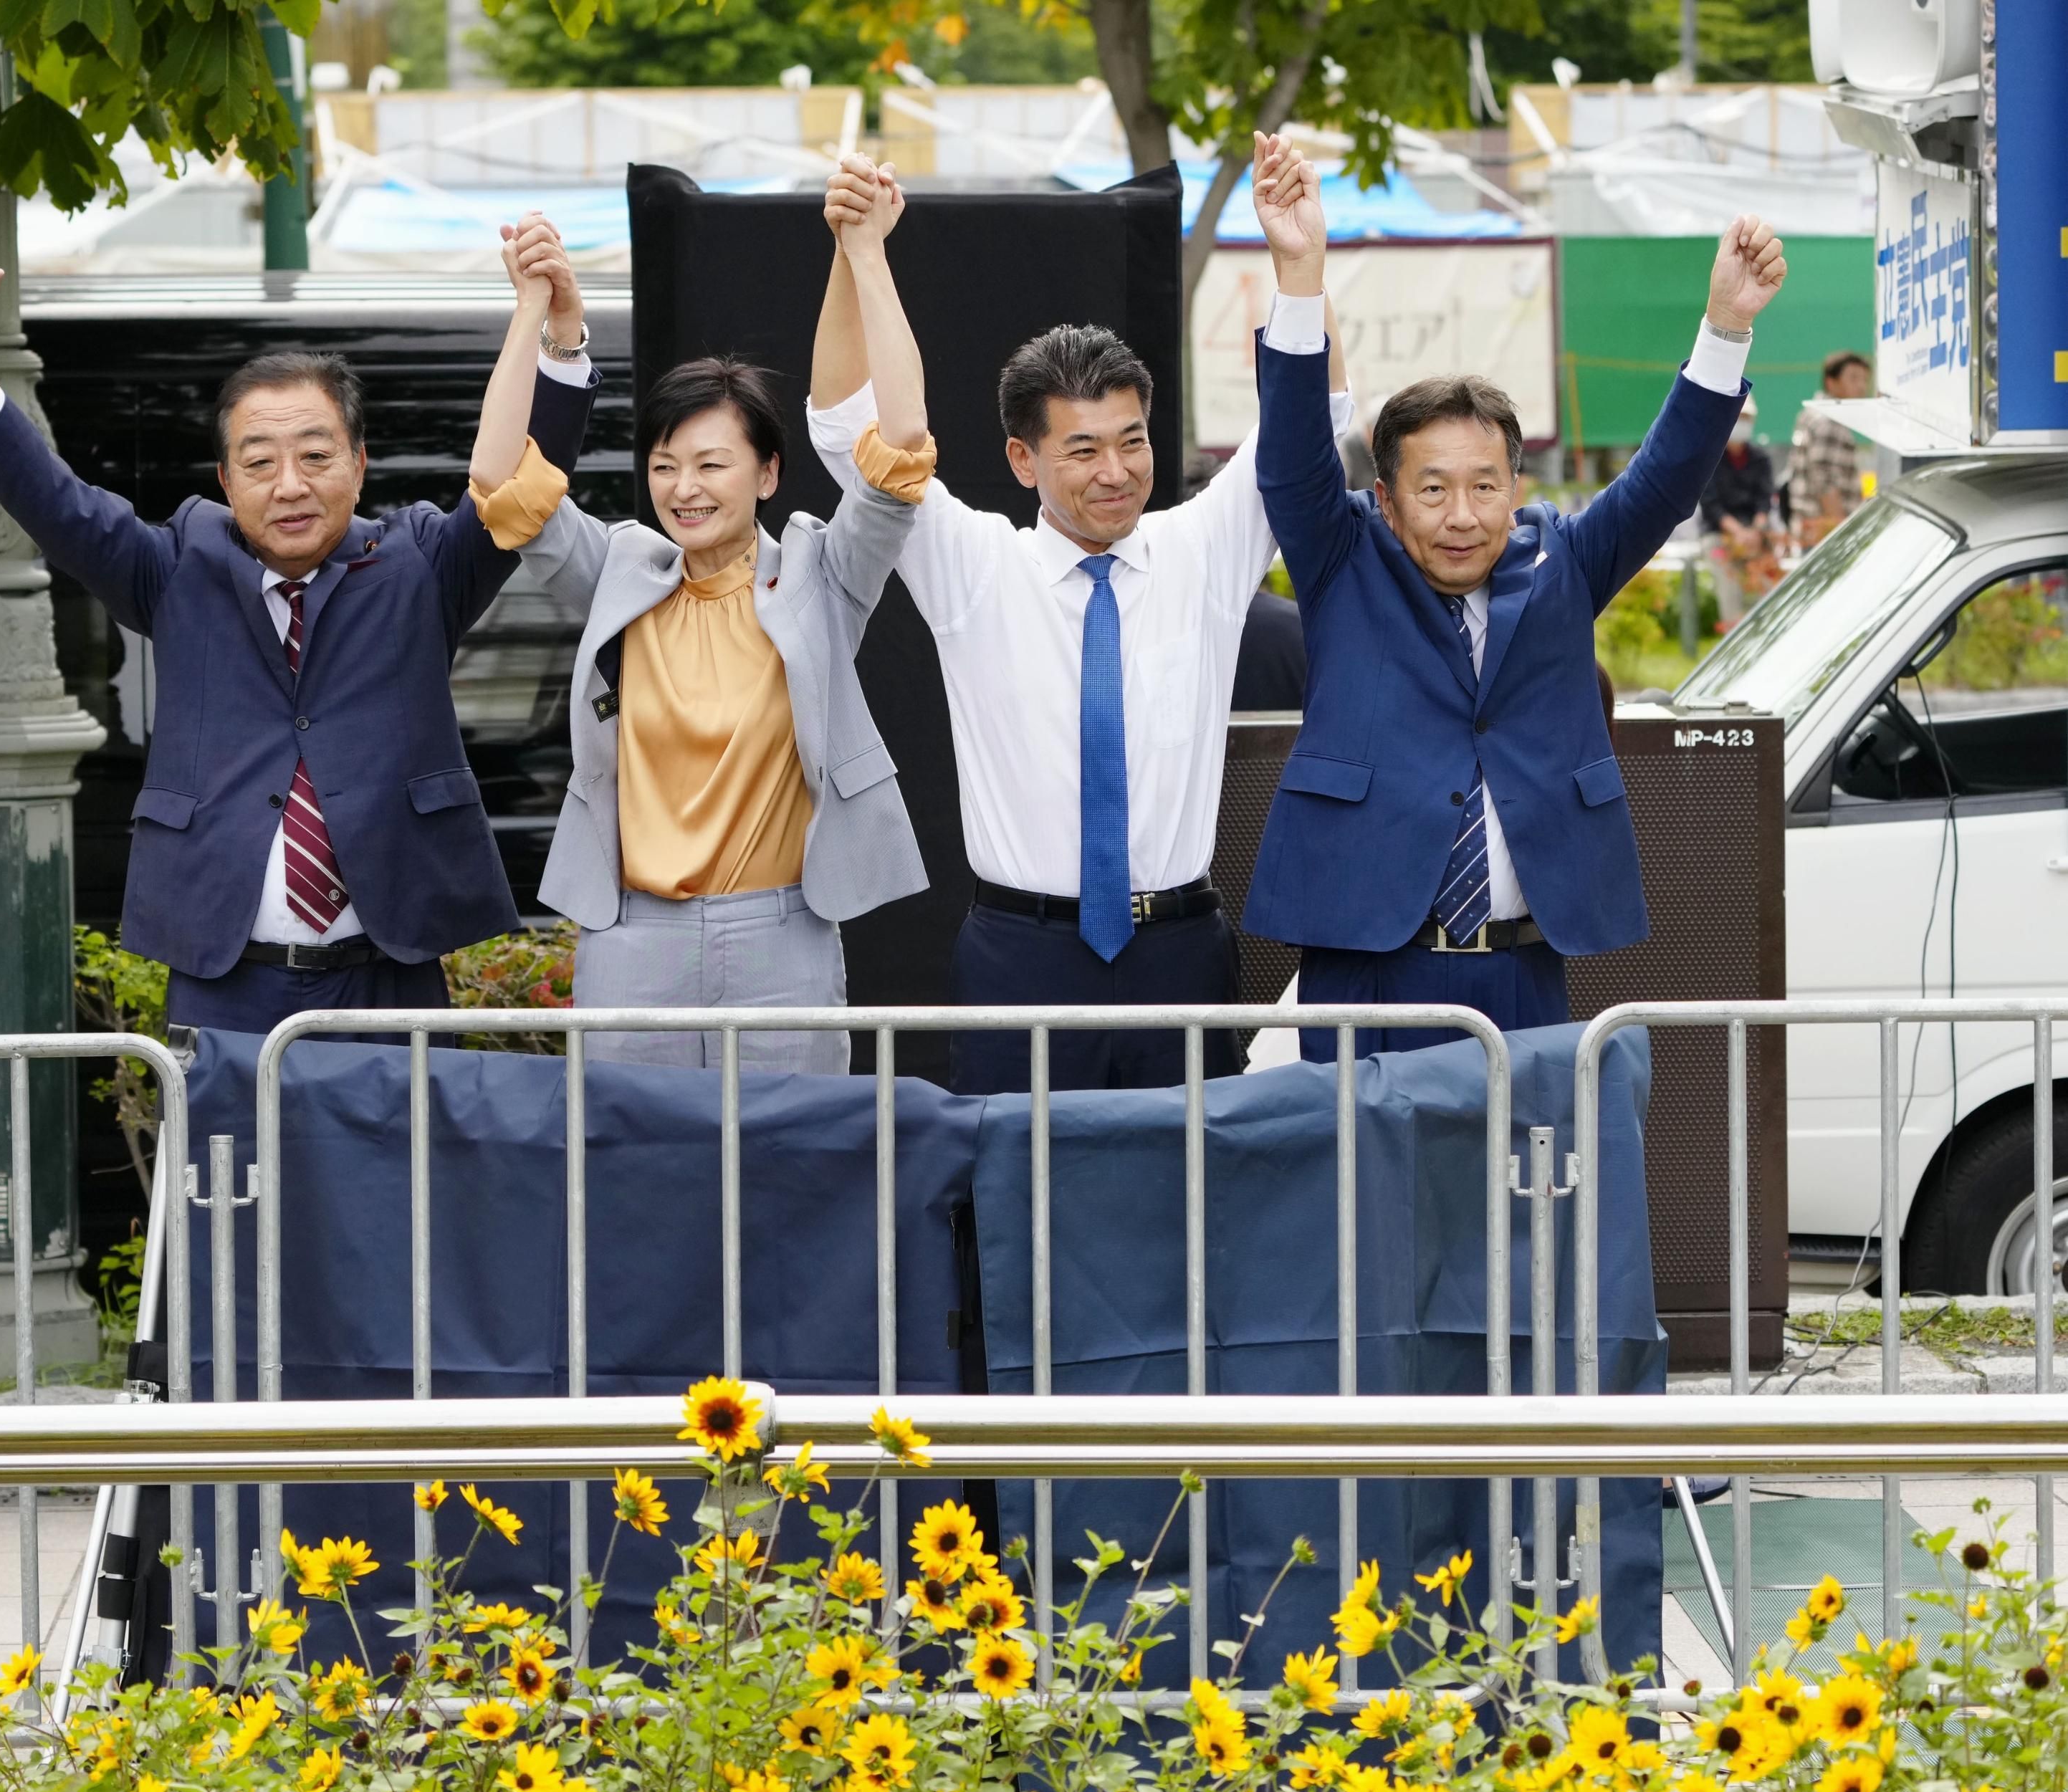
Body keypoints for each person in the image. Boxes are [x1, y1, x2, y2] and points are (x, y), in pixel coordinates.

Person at [0, 214, 600, 1038]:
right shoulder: (177, 570)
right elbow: (57, 503)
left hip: (391, 977)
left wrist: (557, 332)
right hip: (226, 985)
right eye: (261, 463)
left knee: (400, 1172)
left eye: (316, 455)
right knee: (224, 1172)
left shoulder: (421, 565)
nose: (290, 484)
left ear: (358, 463)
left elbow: (523, 484)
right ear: (228, 481)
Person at [808, 157, 1357, 1093]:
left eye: (1131, 440)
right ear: (1022, 460)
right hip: (1018, 955)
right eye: (1082, 449)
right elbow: (844, 426)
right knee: (1015, 1211)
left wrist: (1298, 270)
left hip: (1180, 954)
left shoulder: (1203, 548)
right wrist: (854, 253)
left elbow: (1313, 424)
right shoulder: (973, 562)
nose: (1115, 471)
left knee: (1187, 1214)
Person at [1243, 135, 1785, 1060]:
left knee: (1518, 1198)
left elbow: (1660, 481)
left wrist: (1724, 326)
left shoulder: (1562, 562)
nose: (1461, 514)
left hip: (1521, 972)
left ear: (1515, 489)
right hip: (1364, 966)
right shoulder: (1343, 558)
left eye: (1484, 486)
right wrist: (1299, 271)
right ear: (1383, 496)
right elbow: (1291, 460)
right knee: (1362, 1202)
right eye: (1432, 488)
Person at [468, 188, 932, 1075]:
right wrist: (536, 309)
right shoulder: (619, 571)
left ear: (767, 473)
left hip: (784, 938)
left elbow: (903, 443)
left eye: (712, 463)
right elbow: (498, 478)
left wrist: (867, 254)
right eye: (664, 465)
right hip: (631, 938)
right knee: (632, 1190)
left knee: (786, 1183)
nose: (684, 486)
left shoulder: (821, 573)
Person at [1700, 393, 1779, 621]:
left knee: (1768, 584)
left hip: (1755, 534)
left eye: (1746, 418)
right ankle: (1733, 632)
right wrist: (1737, 533)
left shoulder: (1760, 459)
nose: (1742, 423)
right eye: (1738, 417)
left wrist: (1756, 530)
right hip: (1719, 536)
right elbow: (1711, 506)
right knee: (1729, 586)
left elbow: (1765, 499)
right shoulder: (1710, 458)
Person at [1789, 349, 1871, 544]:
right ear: (1831, 382)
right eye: (1853, 378)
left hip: (1812, 530)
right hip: (1826, 534)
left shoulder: (1813, 414)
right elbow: (1826, 483)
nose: (1861, 386)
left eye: (1864, 379)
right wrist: (1842, 533)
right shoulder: (1828, 422)